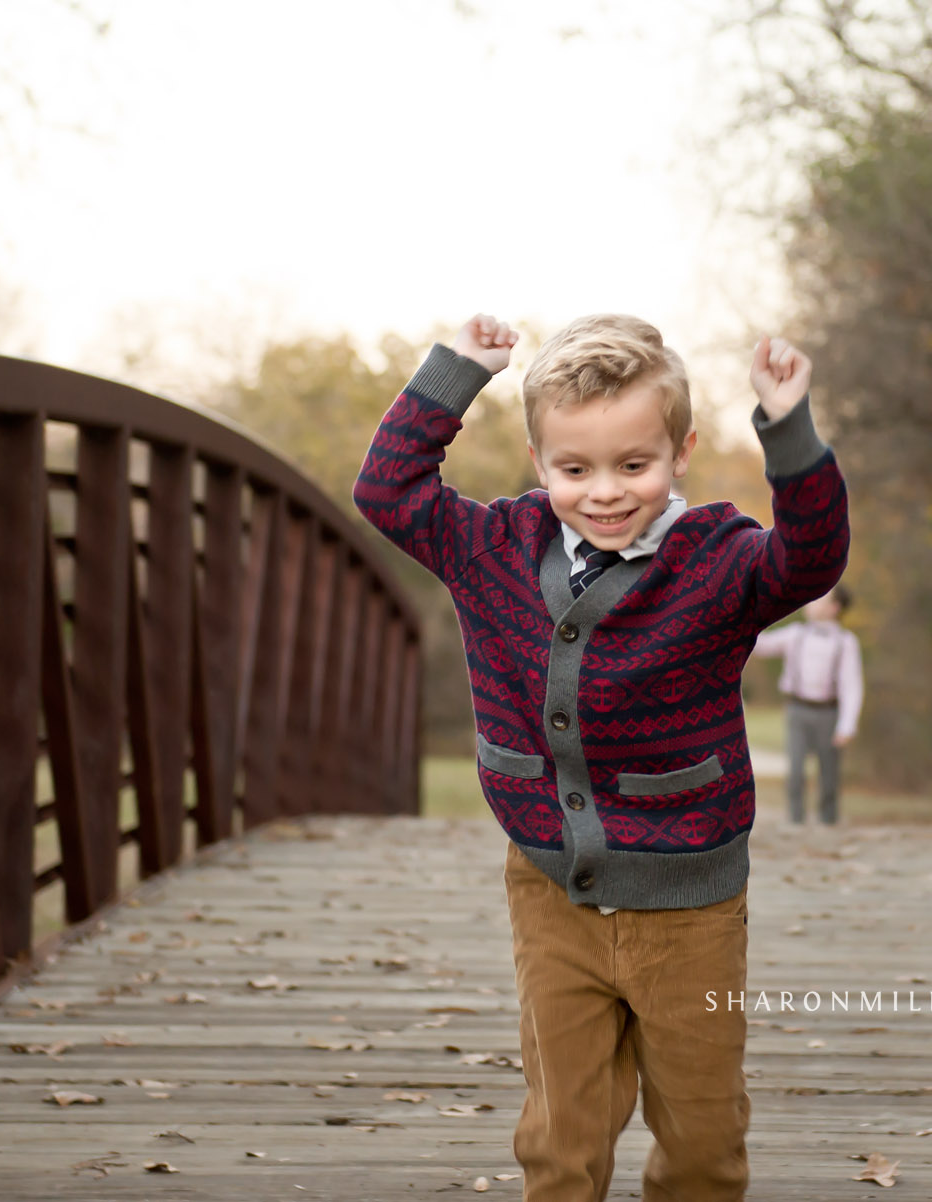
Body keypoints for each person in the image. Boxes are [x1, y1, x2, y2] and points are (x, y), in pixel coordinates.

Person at [351, 312, 849, 1201]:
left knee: (702, 1140)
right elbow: (388, 493)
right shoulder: (491, 549)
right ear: (541, 463)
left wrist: (789, 425)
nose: (606, 492)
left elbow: (813, 557)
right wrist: (458, 374)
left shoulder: (719, 565)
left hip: (689, 906)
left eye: (634, 465)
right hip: (550, 890)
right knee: (560, 1138)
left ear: (681, 451)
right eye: (575, 469)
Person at [751, 586, 863, 825]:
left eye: (819, 600)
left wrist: (847, 725)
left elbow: (851, 686)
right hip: (797, 709)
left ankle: (828, 820)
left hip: (828, 712)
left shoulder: (846, 642)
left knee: (828, 771)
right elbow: (762, 646)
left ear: (834, 608)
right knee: (795, 769)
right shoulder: (795, 634)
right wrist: (744, 625)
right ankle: (795, 820)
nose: (810, 603)